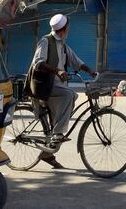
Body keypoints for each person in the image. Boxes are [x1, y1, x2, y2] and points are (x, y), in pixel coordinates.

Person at [31, 14, 98, 168]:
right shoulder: (46, 41)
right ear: (65, 28)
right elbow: (38, 64)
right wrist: (57, 71)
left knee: (69, 102)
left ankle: (48, 153)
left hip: (56, 87)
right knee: (69, 95)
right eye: (68, 27)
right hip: (44, 86)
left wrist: (90, 71)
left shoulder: (62, 44)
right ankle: (57, 133)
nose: (69, 29)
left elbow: (76, 61)